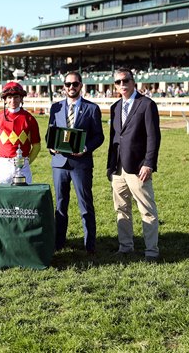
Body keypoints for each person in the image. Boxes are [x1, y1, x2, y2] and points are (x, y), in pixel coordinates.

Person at [107, 68, 161, 261]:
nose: (122, 85)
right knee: (121, 209)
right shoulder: (115, 107)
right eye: (118, 82)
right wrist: (110, 167)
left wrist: (149, 163)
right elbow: (114, 139)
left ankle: (152, 251)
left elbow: (153, 137)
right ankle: (125, 247)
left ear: (133, 81)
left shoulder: (146, 105)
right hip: (118, 168)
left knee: (146, 209)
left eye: (125, 80)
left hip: (138, 168)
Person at [48, 71, 104, 254]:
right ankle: (58, 243)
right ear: (63, 87)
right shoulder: (55, 108)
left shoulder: (92, 108)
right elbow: (50, 134)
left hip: (81, 164)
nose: (71, 87)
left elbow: (99, 136)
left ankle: (90, 245)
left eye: (75, 84)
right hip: (60, 163)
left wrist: (86, 148)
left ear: (81, 86)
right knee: (60, 206)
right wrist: (51, 147)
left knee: (85, 205)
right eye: (68, 84)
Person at [0, 81, 41, 184]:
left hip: (23, 165)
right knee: (2, 198)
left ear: (21, 98)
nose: (13, 100)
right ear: (4, 99)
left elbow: (37, 146)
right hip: (3, 166)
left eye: (16, 97)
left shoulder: (30, 119)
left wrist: (26, 162)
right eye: (9, 97)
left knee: (23, 199)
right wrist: (0, 161)